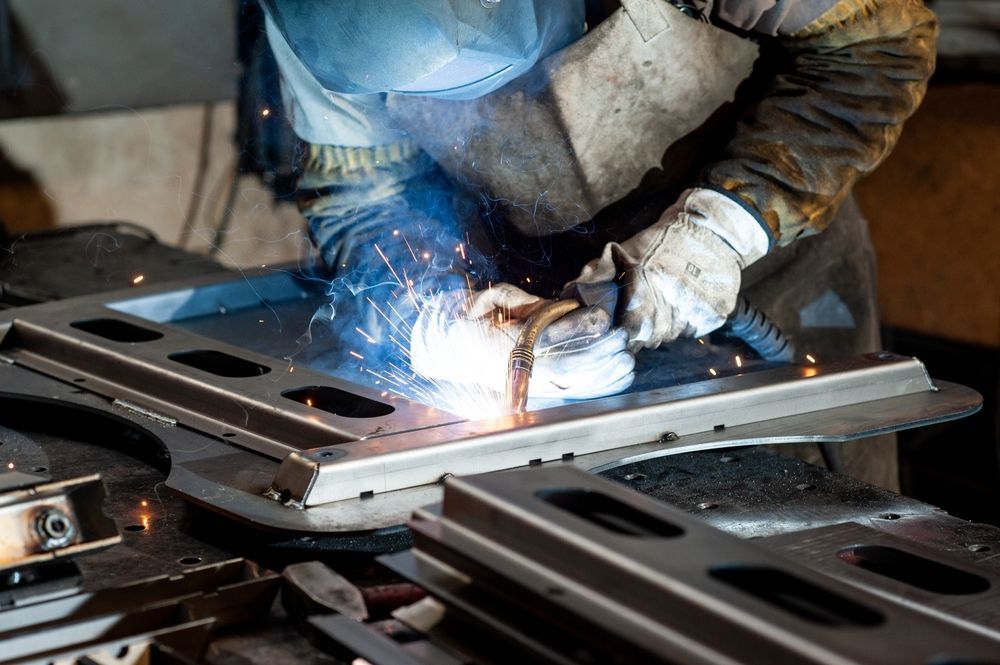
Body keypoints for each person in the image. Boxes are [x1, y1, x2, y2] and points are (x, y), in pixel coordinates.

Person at [261, 0, 936, 484]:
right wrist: (442, 324)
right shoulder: (304, 25)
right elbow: (362, 200)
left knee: (817, 532)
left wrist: (721, 230)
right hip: (534, 294)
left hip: (775, 267)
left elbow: (876, 43)